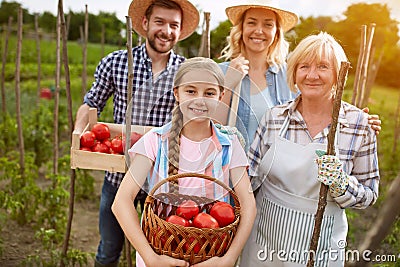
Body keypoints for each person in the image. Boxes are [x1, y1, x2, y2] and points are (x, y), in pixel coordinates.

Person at [73, 0, 200, 266]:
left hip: (163, 181)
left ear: (180, 30)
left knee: (162, 250)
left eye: (173, 25)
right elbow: (91, 103)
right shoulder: (117, 62)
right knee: (108, 250)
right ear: (145, 23)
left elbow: (196, 117)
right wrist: (78, 132)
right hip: (119, 175)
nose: (166, 31)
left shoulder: (187, 71)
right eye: (160, 22)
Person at [240, 32, 380, 266]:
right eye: (304, 66)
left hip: (321, 245)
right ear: (294, 72)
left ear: (338, 74)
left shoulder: (358, 125)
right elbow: (248, 178)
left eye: (323, 67)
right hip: (265, 241)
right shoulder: (274, 118)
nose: (312, 75)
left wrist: (341, 183)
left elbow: (370, 193)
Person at [112, 57, 256, 267]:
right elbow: (121, 202)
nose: (200, 100)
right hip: (160, 254)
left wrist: (228, 259)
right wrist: (150, 258)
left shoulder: (230, 145)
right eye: (191, 91)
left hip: (210, 257)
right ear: (176, 93)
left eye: (209, 93)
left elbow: (249, 205)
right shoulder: (155, 141)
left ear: (221, 96)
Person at [215, 0, 381, 150]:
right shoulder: (219, 72)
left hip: (275, 177)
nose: (259, 31)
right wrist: (228, 84)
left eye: (268, 25)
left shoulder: (290, 74)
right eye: (252, 23)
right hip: (230, 177)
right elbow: (207, 129)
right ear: (241, 28)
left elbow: (316, 107)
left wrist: (356, 119)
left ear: (276, 32)